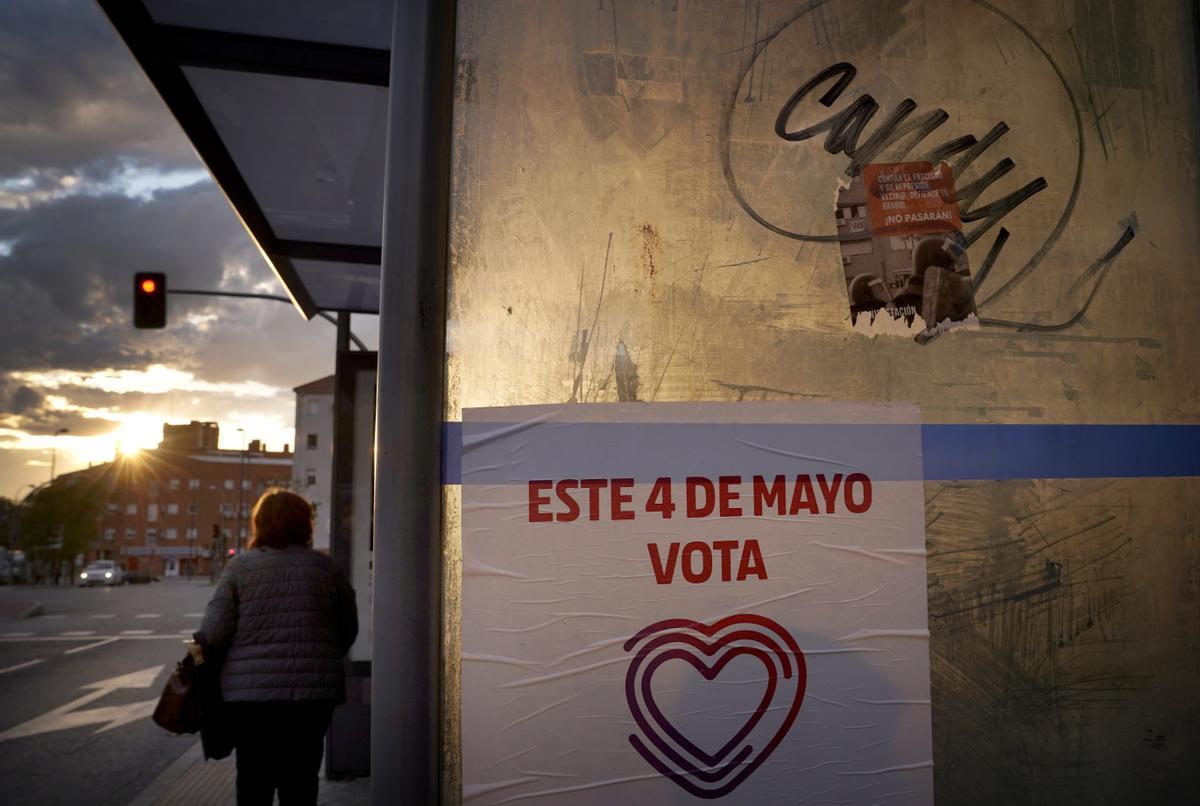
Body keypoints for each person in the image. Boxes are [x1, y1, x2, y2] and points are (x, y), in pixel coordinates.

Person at [198, 488, 358, 806]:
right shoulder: (327, 569)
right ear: (305, 525)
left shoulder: (241, 569)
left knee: (254, 783)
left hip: (252, 700)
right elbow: (347, 629)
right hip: (313, 698)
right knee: (301, 782)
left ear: (261, 524)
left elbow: (214, 633)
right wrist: (316, 656)